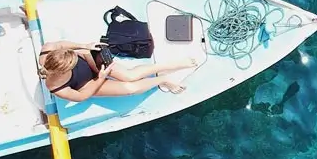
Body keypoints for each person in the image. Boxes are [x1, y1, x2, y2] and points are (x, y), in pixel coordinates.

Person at [37, 40, 197, 102]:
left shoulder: (48, 49)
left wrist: (84, 46)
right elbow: (80, 96)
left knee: (130, 75)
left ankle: (169, 65)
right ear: (64, 69)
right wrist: (101, 78)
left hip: (89, 61)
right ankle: (162, 80)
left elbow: (61, 44)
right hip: (85, 83)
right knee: (130, 88)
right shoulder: (56, 87)